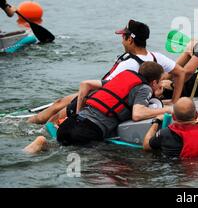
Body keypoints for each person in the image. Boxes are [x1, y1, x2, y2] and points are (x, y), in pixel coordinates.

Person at [27, 19, 185, 124]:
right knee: (61, 102)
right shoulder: (156, 57)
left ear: (130, 39)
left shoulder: (128, 64)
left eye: (123, 36)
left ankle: (29, 128)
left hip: (102, 102)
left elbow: (106, 89)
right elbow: (180, 72)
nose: (121, 39)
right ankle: (32, 123)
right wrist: (175, 101)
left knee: (59, 108)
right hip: (123, 100)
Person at [24, 61, 170, 153]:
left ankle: (42, 144)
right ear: (154, 82)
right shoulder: (145, 88)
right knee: (98, 158)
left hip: (72, 122)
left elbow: (85, 84)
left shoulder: (125, 77)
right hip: (89, 130)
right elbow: (137, 114)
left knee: (61, 148)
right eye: (161, 81)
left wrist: (77, 113)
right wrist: (168, 109)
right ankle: (43, 144)